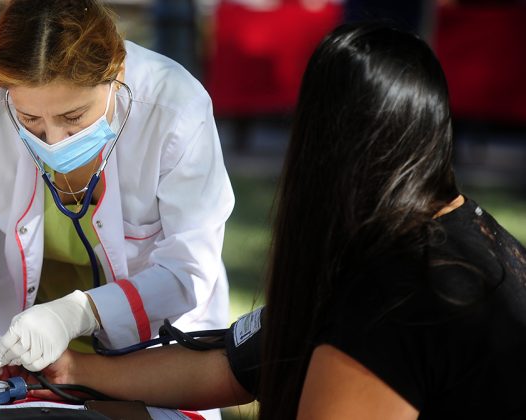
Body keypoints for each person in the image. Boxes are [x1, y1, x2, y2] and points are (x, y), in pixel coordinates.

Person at [37, 23, 526, 418]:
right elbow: (232, 367)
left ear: (322, 146)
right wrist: (73, 368)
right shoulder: (472, 238)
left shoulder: (390, 298)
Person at [0, 0, 234, 376]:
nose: (53, 140)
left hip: (156, 352)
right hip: (14, 351)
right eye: (30, 119)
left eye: (73, 117)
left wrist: (78, 314)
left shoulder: (174, 109)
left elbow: (186, 268)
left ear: (115, 75)